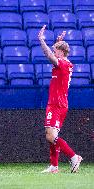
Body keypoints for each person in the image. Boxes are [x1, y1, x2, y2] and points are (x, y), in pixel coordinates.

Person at [38, 25, 82, 173]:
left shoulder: (62, 63)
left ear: (61, 52)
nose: (54, 52)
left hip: (56, 104)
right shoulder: (67, 63)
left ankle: (74, 156)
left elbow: (49, 55)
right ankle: (54, 166)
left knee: (51, 135)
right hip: (60, 103)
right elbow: (55, 54)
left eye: (56, 50)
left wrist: (41, 40)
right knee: (51, 136)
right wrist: (58, 41)